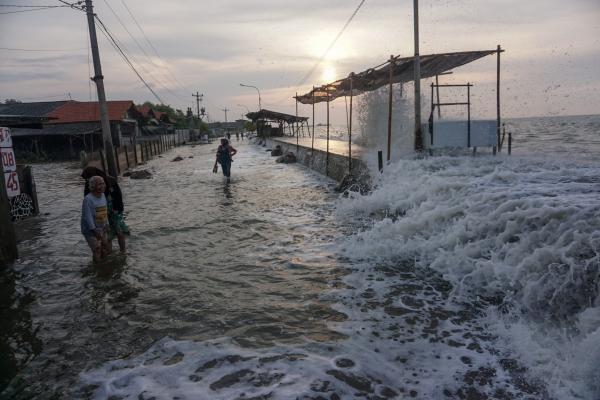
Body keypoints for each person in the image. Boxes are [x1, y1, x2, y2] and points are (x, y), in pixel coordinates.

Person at [81, 166, 129, 253]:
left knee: (120, 232)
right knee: (107, 235)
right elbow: (87, 200)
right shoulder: (89, 184)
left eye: (88, 177)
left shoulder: (109, 180)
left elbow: (118, 195)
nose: (87, 180)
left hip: (115, 210)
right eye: (86, 179)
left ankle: (123, 252)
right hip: (101, 213)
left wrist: (119, 209)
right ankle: (110, 255)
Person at [81, 176, 109, 263]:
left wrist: (107, 224)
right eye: (100, 184)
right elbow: (87, 216)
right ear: (93, 186)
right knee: (97, 249)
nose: (103, 186)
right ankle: (98, 269)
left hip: (102, 226)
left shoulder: (103, 195)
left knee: (105, 246)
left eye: (103, 183)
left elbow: (105, 210)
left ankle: (104, 267)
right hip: (90, 229)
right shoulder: (88, 199)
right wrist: (94, 230)